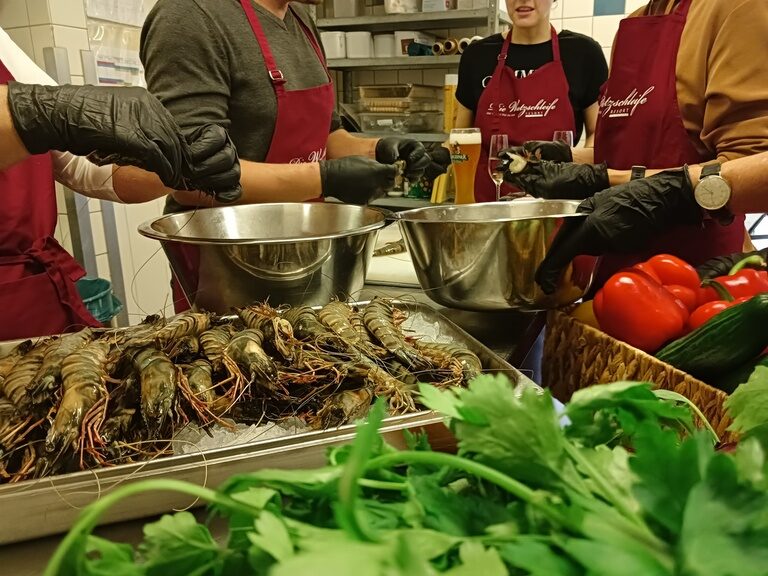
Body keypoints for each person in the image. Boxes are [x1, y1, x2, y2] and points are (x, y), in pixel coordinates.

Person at [140, 0, 449, 311]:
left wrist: (377, 149)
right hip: (227, 269)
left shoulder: (300, 18)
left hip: (307, 254)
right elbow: (187, 173)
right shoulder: (189, 15)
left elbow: (326, 136)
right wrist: (324, 180)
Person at [500, 0, 768, 289]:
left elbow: (749, 169)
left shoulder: (736, 8)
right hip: (614, 282)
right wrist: (569, 159)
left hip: (690, 282)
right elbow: (631, 150)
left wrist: (611, 180)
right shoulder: (632, 26)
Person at [0, 27, 241, 339]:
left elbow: (84, 165)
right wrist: (43, 113)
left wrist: (178, 159)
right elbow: (48, 118)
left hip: (34, 301)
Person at [454, 0, 607, 202]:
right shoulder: (477, 55)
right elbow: (460, 135)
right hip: (488, 208)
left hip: (556, 204)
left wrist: (573, 166)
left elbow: (600, 133)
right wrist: (436, 157)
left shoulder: (583, 53)